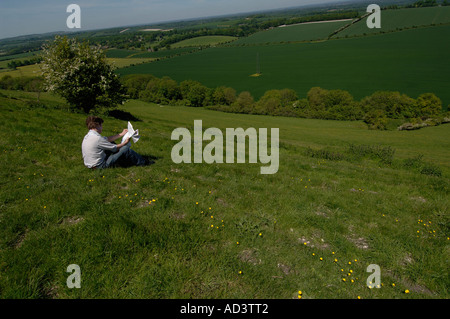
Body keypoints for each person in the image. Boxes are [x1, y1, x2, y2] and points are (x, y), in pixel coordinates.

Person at [82, 116, 148, 169]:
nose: (102, 127)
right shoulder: (98, 139)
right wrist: (125, 143)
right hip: (100, 166)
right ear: (97, 126)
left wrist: (122, 134)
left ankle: (123, 159)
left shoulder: (89, 136)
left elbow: (107, 139)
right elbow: (115, 148)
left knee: (112, 142)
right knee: (125, 149)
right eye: (101, 125)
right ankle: (144, 162)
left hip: (90, 165)